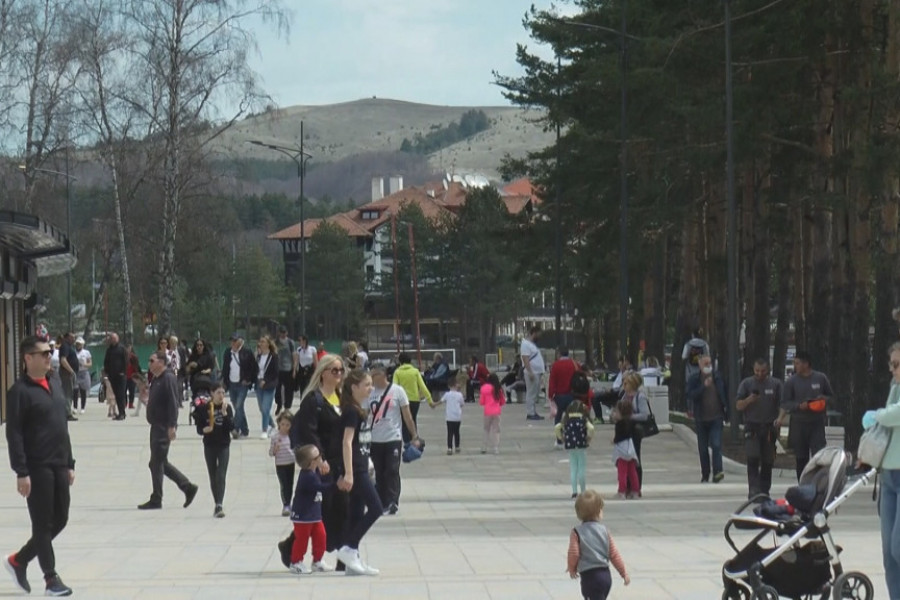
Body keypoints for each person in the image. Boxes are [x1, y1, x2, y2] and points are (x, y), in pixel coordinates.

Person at [4, 336, 76, 596]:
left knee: (61, 519)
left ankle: (19, 560)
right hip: (36, 467)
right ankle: (50, 579)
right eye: (43, 353)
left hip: (59, 463)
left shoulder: (55, 383)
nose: (49, 357)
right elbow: (14, 435)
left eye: (50, 352)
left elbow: (62, 426)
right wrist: (21, 472)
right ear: (27, 358)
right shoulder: (19, 392)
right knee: (43, 524)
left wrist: (70, 462)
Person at [281, 354, 347, 570]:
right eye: (334, 370)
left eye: (341, 370)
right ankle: (295, 547)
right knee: (323, 510)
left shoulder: (341, 396)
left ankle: (337, 555)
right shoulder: (314, 400)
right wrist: (320, 460)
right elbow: (310, 433)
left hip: (340, 462)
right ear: (323, 373)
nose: (338, 374)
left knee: (339, 509)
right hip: (322, 464)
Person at [334, 369, 382, 576]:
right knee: (376, 508)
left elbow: (361, 442)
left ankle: (352, 562)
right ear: (354, 388)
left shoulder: (358, 409)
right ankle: (349, 548)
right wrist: (349, 473)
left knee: (355, 513)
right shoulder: (351, 411)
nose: (370, 388)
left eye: (371, 384)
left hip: (363, 464)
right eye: (367, 384)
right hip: (356, 468)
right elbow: (346, 442)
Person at [137, 350, 199, 510]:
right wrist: (146, 400)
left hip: (163, 426)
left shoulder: (168, 378)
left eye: (152, 360)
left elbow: (173, 403)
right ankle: (187, 487)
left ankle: (158, 498)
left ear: (162, 362)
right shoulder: (157, 379)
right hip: (156, 425)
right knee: (158, 462)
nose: (149, 364)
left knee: (156, 463)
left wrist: (172, 425)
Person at [862, 342, 900, 598]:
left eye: (897, 365)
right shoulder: (895, 387)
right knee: (888, 552)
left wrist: (876, 415)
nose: (893, 370)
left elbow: (892, 416)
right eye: (892, 364)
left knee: (899, 547)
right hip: (888, 476)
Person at [368, 365, 420, 515]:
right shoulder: (369, 392)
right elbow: (364, 414)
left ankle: (392, 501)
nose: (371, 378)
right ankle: (381, 501)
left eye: (374, 374)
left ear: (383, 375)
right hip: (374, 438)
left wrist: (414, 435)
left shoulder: (397, 391)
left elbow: (407, 415)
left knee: (391, 469)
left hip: (393, 437)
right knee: (378, 471)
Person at [777, 350, 833, 480]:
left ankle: (818, 483)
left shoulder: (820, 378)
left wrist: (822, 399)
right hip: (799, 423)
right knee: (801, 457)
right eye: (794, 363)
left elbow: (831, 397)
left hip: (817, 422)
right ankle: (802, 484)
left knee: (818, 455)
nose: (795, 366)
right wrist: (798, 406)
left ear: (806, 364)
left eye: (797, 363)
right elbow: (785, 403)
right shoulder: (791, 382)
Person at [566, 490, 630, 600]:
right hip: (605, 575)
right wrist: (623, 572)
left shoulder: (576, 532)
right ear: (598, 512)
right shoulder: (605, 531)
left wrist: (572, 568)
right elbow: (614, 554)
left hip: (589, 577)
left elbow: (574, 553)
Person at [736, 358, 783, 499]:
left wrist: (780, 418)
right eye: (757, 371)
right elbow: (738, 405)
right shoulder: (746, 384)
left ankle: (764, 491)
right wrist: (749, 399)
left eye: (762, 371)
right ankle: (753, 490)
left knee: (768, 461)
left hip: (769, 427)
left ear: (767, 370)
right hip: (752, 426)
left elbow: (782, 404)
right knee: (752, 457)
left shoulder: (776, 384)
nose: (759, 374)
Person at [289, 444, 334, 574]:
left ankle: (317, 561)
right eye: (318, 456)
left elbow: (322, 482)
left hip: (314, 514)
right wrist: (336, 486)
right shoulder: (307, 476)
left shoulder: (315, 472)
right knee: (302, 540)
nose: (321, 458)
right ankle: (296, 562)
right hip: (303, 516)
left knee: (321, 536)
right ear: (312, 462)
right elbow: (321, 488)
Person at [192, 382, 233, 518]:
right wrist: (204, 430)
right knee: (213, 475)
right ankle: (217, 502)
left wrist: (225, 414)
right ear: (212, 394)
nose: (221, 396)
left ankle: (219, 504)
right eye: (218, 393)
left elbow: (231, 427)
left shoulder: (227, 408)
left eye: (223, 393)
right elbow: (199, 427)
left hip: (223, 445)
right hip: (209, 445)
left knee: (221, 474)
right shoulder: (204, 408)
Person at [686, 355, 729, 483]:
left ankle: (718, 472)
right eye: (705, 363)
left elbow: (725, 393)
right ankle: (705, 474)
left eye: (710, 363)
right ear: (699, 365)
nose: (708, 365)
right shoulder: (695, 378)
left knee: (716, 445)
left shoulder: (718, 377)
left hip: (716, 417)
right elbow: (690, 395)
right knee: (703, 448)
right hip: (701, 418)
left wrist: (727, 410)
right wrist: (703, 386)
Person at [392, 352, 434, 444]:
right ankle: (414, 439)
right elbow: (423, 387)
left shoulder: (397, 372)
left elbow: (394, 387)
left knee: (404, 421)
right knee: (413, 419)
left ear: (400, 361)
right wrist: (429, 400)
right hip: (415, 400)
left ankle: (407, 443)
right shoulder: (415, 371)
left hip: (402, 401)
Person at [555, 400, 594, 498]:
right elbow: (592, 428)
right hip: (581, 445)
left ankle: (574, 491)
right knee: (581, 468)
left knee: (573, 468)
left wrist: (561, 438)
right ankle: (583, 490)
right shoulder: (583, 419)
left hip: (570, 445)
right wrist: (589, 438)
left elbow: (557, 427)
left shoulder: (567, 420)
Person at [619, 372, 651, 491]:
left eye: (626, 383)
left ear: (632, 384)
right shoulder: (624, 395)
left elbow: (644, 415)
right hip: (625, 430)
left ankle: (636, 487)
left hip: (635, 431)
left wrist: (629, 416)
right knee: (624, 458)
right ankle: (626, 486)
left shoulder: (640, 396)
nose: (624, 385)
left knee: (635, 458)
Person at [221, 333, 257, 439]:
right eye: (232, 340)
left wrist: (249, 380)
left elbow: (253, 368)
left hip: (242, 384)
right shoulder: (228, 352)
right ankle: (245, 430)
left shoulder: (247, 352)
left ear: (240, 341)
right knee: (238, 408)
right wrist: (224, 381)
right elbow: (225, 367)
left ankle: (235, 429)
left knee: (238, 406)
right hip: (232, 383)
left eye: (235, 340)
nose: (233, 343)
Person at [549, 347, 581, 440]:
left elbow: (552, 382)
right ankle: (573, 437)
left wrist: (551, 395)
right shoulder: (575, 364)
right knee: (573, 416)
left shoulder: (556, 365)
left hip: (560, 396)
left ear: (559, 354)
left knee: (558, 417)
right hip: (573, 395)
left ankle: (559, 439)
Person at [612, 399, 640, 500]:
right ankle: (635, 491)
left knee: (622, 472)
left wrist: (614, 441)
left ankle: (622, 491)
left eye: (616, 412)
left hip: (622, 450)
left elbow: (619, 437)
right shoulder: (632, 423)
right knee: (632, 471)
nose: (614, 414)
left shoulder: (619, 424)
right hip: (630, 449)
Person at [270, 411, 295, 516]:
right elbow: (271, 452)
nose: (285, 427)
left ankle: (289, 503)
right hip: (280, 464)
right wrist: (275, 449)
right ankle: (286, 504)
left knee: (290, 483)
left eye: (288, 425)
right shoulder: (275, 437)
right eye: (283, 424)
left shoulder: (292, 436)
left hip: (291, 462)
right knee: (283, 484)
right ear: (279, 423)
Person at [255, 336, 279, 439]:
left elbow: (275, 372)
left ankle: (264, 430)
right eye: (260, 341)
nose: (261, 343)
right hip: (259, 384)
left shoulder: (273, 356)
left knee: (265, 407)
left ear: (268, 344)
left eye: (263, 341)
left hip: (269, 385)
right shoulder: (259, 356)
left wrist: (266, 380)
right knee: (262, 408)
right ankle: (272, 426)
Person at [520, 326, 546, 420]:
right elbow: (525, 358)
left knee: (534, 393)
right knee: (531, 393)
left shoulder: (531, 344)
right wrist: (530, 372)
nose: (539, 337)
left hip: (536, 372)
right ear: (533, 333)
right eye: (538, 335)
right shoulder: (525, 344)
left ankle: (533, 411)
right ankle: (530, 412)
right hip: (532, 372)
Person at [103, 332, 128, 421]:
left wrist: (123, 372)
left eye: (114, 338)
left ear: (117, 339)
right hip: (112, 375)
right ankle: (120, 412)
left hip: (121, 375)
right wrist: (106, 371)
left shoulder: (122, 349)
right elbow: (106, 361)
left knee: (121, 394)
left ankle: (122, 413)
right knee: (116, 395)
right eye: (111, 338)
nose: (112, 340)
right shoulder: (109, 349)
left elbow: (126, 361)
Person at [479, 372, 506, 454]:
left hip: (487, 411)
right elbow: (502, 401)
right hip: (496, 412)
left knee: (486, 429)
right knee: (496, 430)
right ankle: (495, 448)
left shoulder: (484, 388)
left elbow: (481, 402)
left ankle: (484, 447)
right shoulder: (498, 389)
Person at [439, 374, 466, 454]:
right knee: (457, 432)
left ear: (449, 385)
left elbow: (441, 401)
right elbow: (462, 404)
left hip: (449, 417)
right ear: (456, 384)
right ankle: (457, 446)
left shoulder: (447, 394)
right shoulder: (460, 395)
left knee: (450, 432)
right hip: (457, 417)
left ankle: (450, 448)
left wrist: (433, 404)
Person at [274, 326, 297, 413]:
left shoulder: (290, 342)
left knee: (289, 389)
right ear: (279, 333)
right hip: (278, 369)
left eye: (285, 332)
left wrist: (294, 369)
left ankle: (287, 406)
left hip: (288, 368)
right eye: (282, 332)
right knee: (277, 389)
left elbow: (294, 355)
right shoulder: (276, 342)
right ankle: (279, 404)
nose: (283, 334)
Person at [58, 333, 78, 421]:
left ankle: (67, 412)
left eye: (74, 338)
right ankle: (67, 413)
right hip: (66, 373)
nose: (74, 339)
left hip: (68, 373)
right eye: (72, 337)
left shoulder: (68, 347)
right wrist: (71, 371)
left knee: (69, 393)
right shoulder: (65, 346)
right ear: (66, 338)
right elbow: (63, 360)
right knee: (67, 393)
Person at [294, 335, 317, 406]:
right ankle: (302, 402)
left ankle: (310, 402)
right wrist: (294, 370)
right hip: (302, 370)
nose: (299, 342)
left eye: (300, 340)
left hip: (310, 370)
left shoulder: (312, 349)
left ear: (304, 341)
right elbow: (296, 361)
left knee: (309, 386)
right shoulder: (299, 349)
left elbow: (315, 361)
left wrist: (317, 372)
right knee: (302, 387)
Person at [74, 337, 92, 414]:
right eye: (77, 344)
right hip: (76, 372)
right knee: (75, 390)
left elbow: (90, 363)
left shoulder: (86, 352)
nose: (78, 345)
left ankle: (82, 407)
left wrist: (84, 364)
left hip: (84, 372)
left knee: (83, 391)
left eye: (80, 344)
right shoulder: (73, 352)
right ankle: (74, 407)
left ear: (82, 345)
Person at [126, 343, 142, 411]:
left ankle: (131, 404)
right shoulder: (123, 356)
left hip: (132, 376)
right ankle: (124, 403)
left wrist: (138, 374)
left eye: (129, 348)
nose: (128, 349)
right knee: (123, 391)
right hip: (124, 376)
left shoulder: (134, 357)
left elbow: (137, 366)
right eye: (127, 348)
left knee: (131, 391)